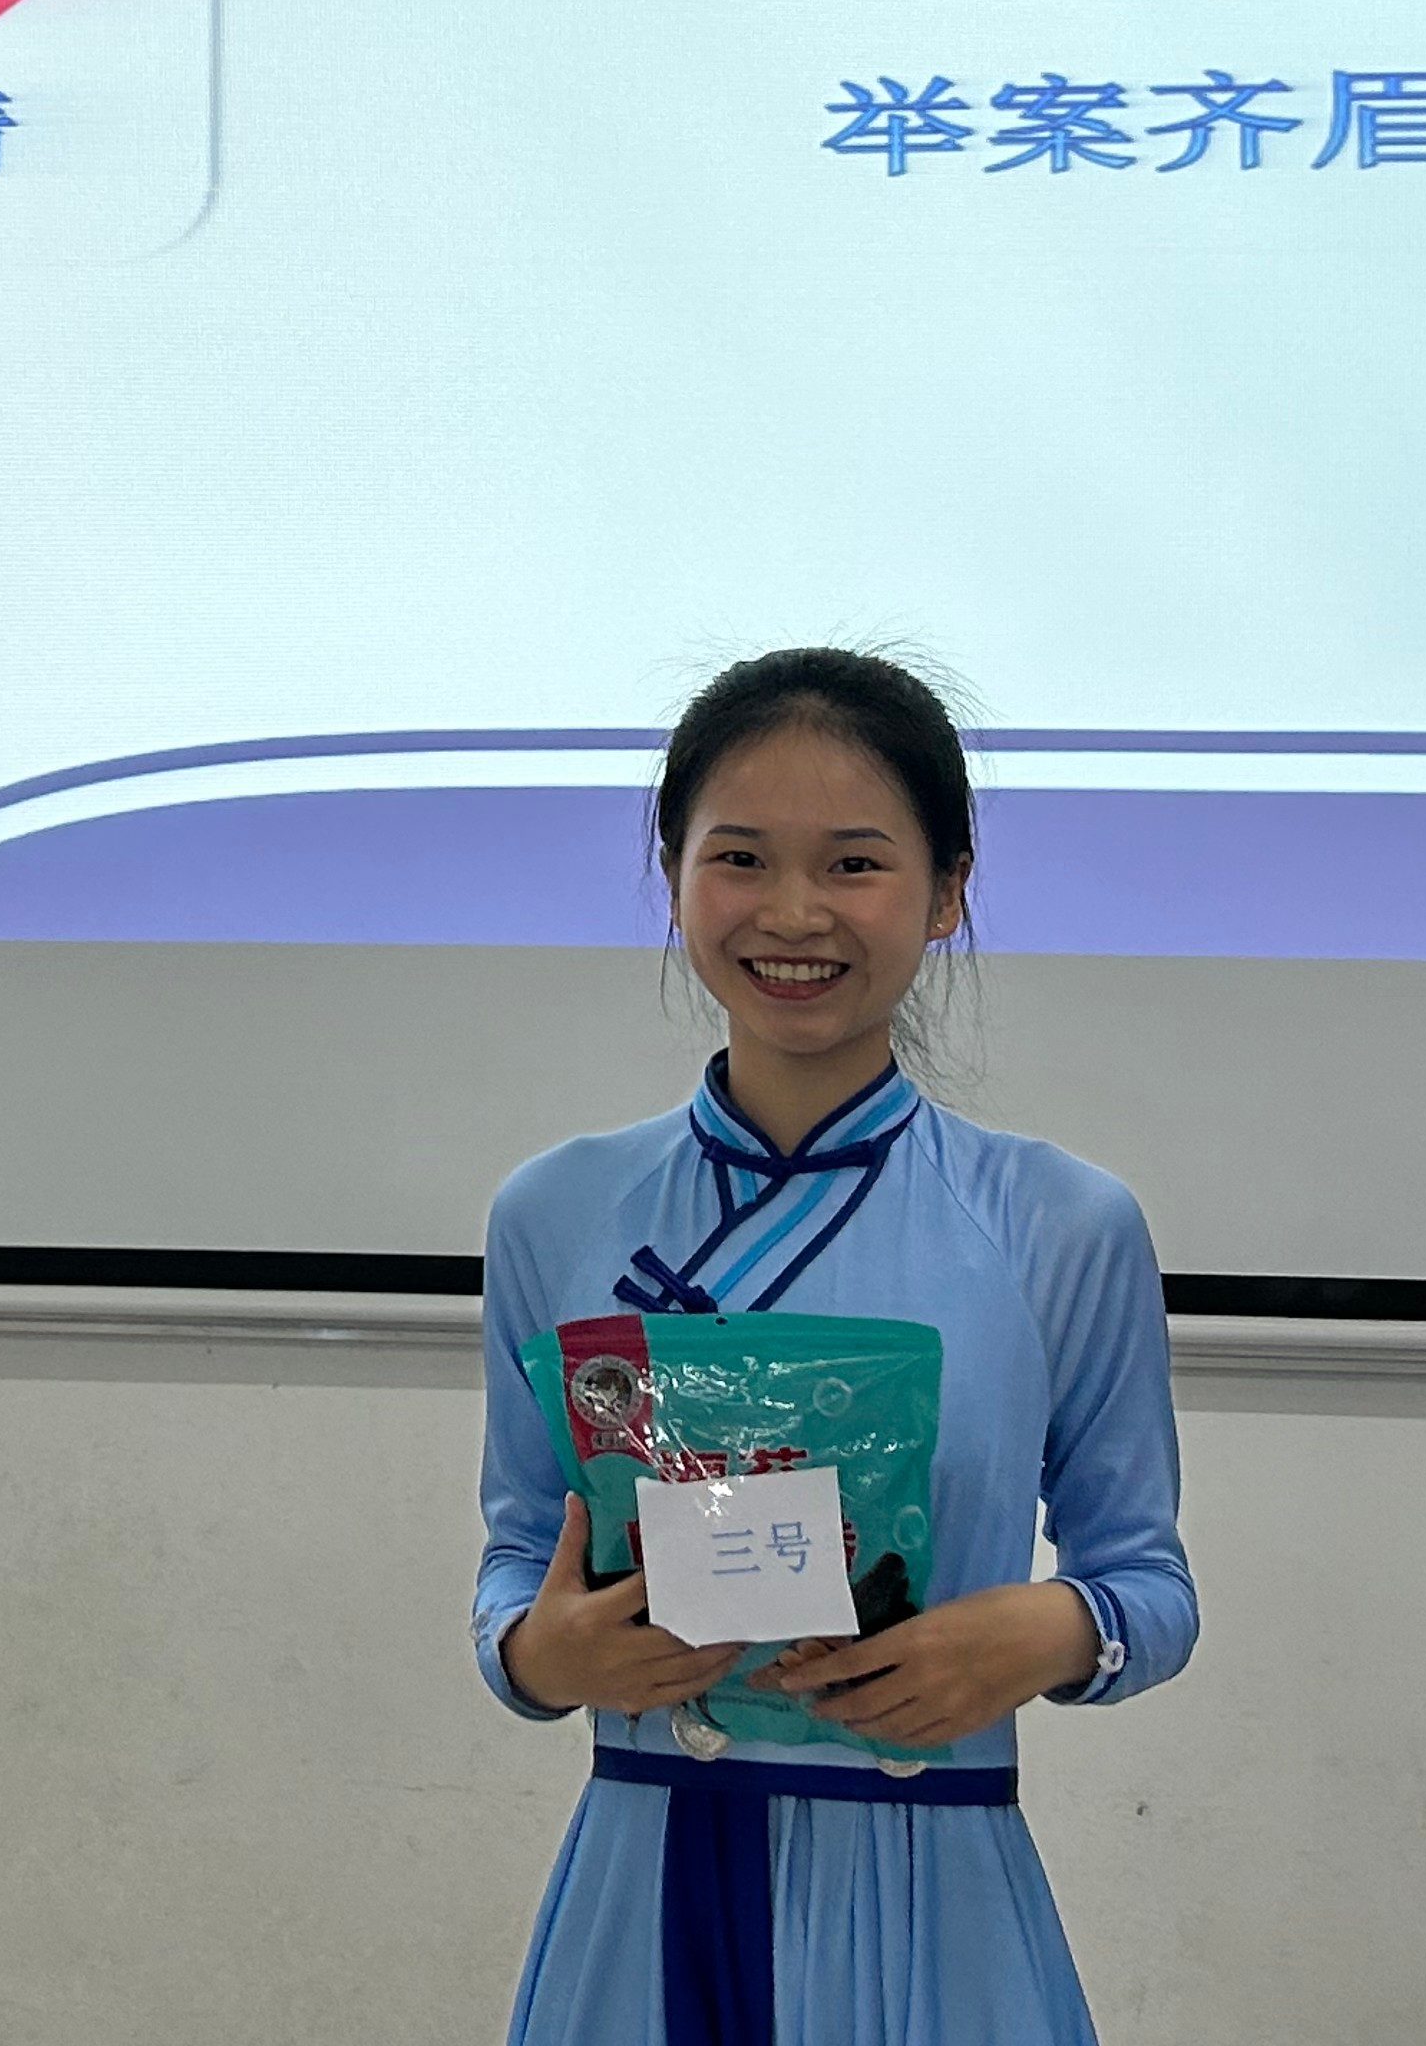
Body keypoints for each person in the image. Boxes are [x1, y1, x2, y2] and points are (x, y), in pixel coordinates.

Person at [472, 648, 1195, 2046]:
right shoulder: (555, 1211)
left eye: (855, 864)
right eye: (739, 857)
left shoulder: (1057, 1222)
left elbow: (1149, 1588)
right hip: (647, 1870)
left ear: (947, 890)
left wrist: (1045, 1630)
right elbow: (516, 1555)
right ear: (674, 876)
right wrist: (547, 1657)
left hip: (932, 1877)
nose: (793, 913)